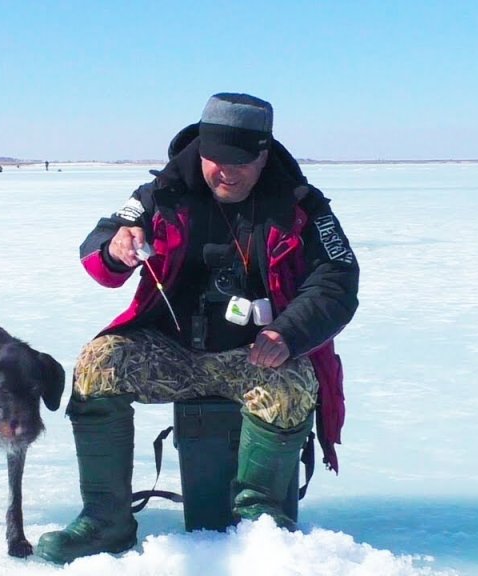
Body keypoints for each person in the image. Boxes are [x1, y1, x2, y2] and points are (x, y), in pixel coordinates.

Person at [35, 93, 359, 564]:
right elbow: (102, 242)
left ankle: (260, 529)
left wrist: (287, 333)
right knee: (97, 365)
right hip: (171, 350)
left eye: (240, 162)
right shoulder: (162, 192)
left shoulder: (301, 206)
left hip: (255, 357)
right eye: (215, 159)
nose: (225, 172)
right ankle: (106, 521)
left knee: (292, 384)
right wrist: (115, 248)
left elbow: (337, 281)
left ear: (264, 155)